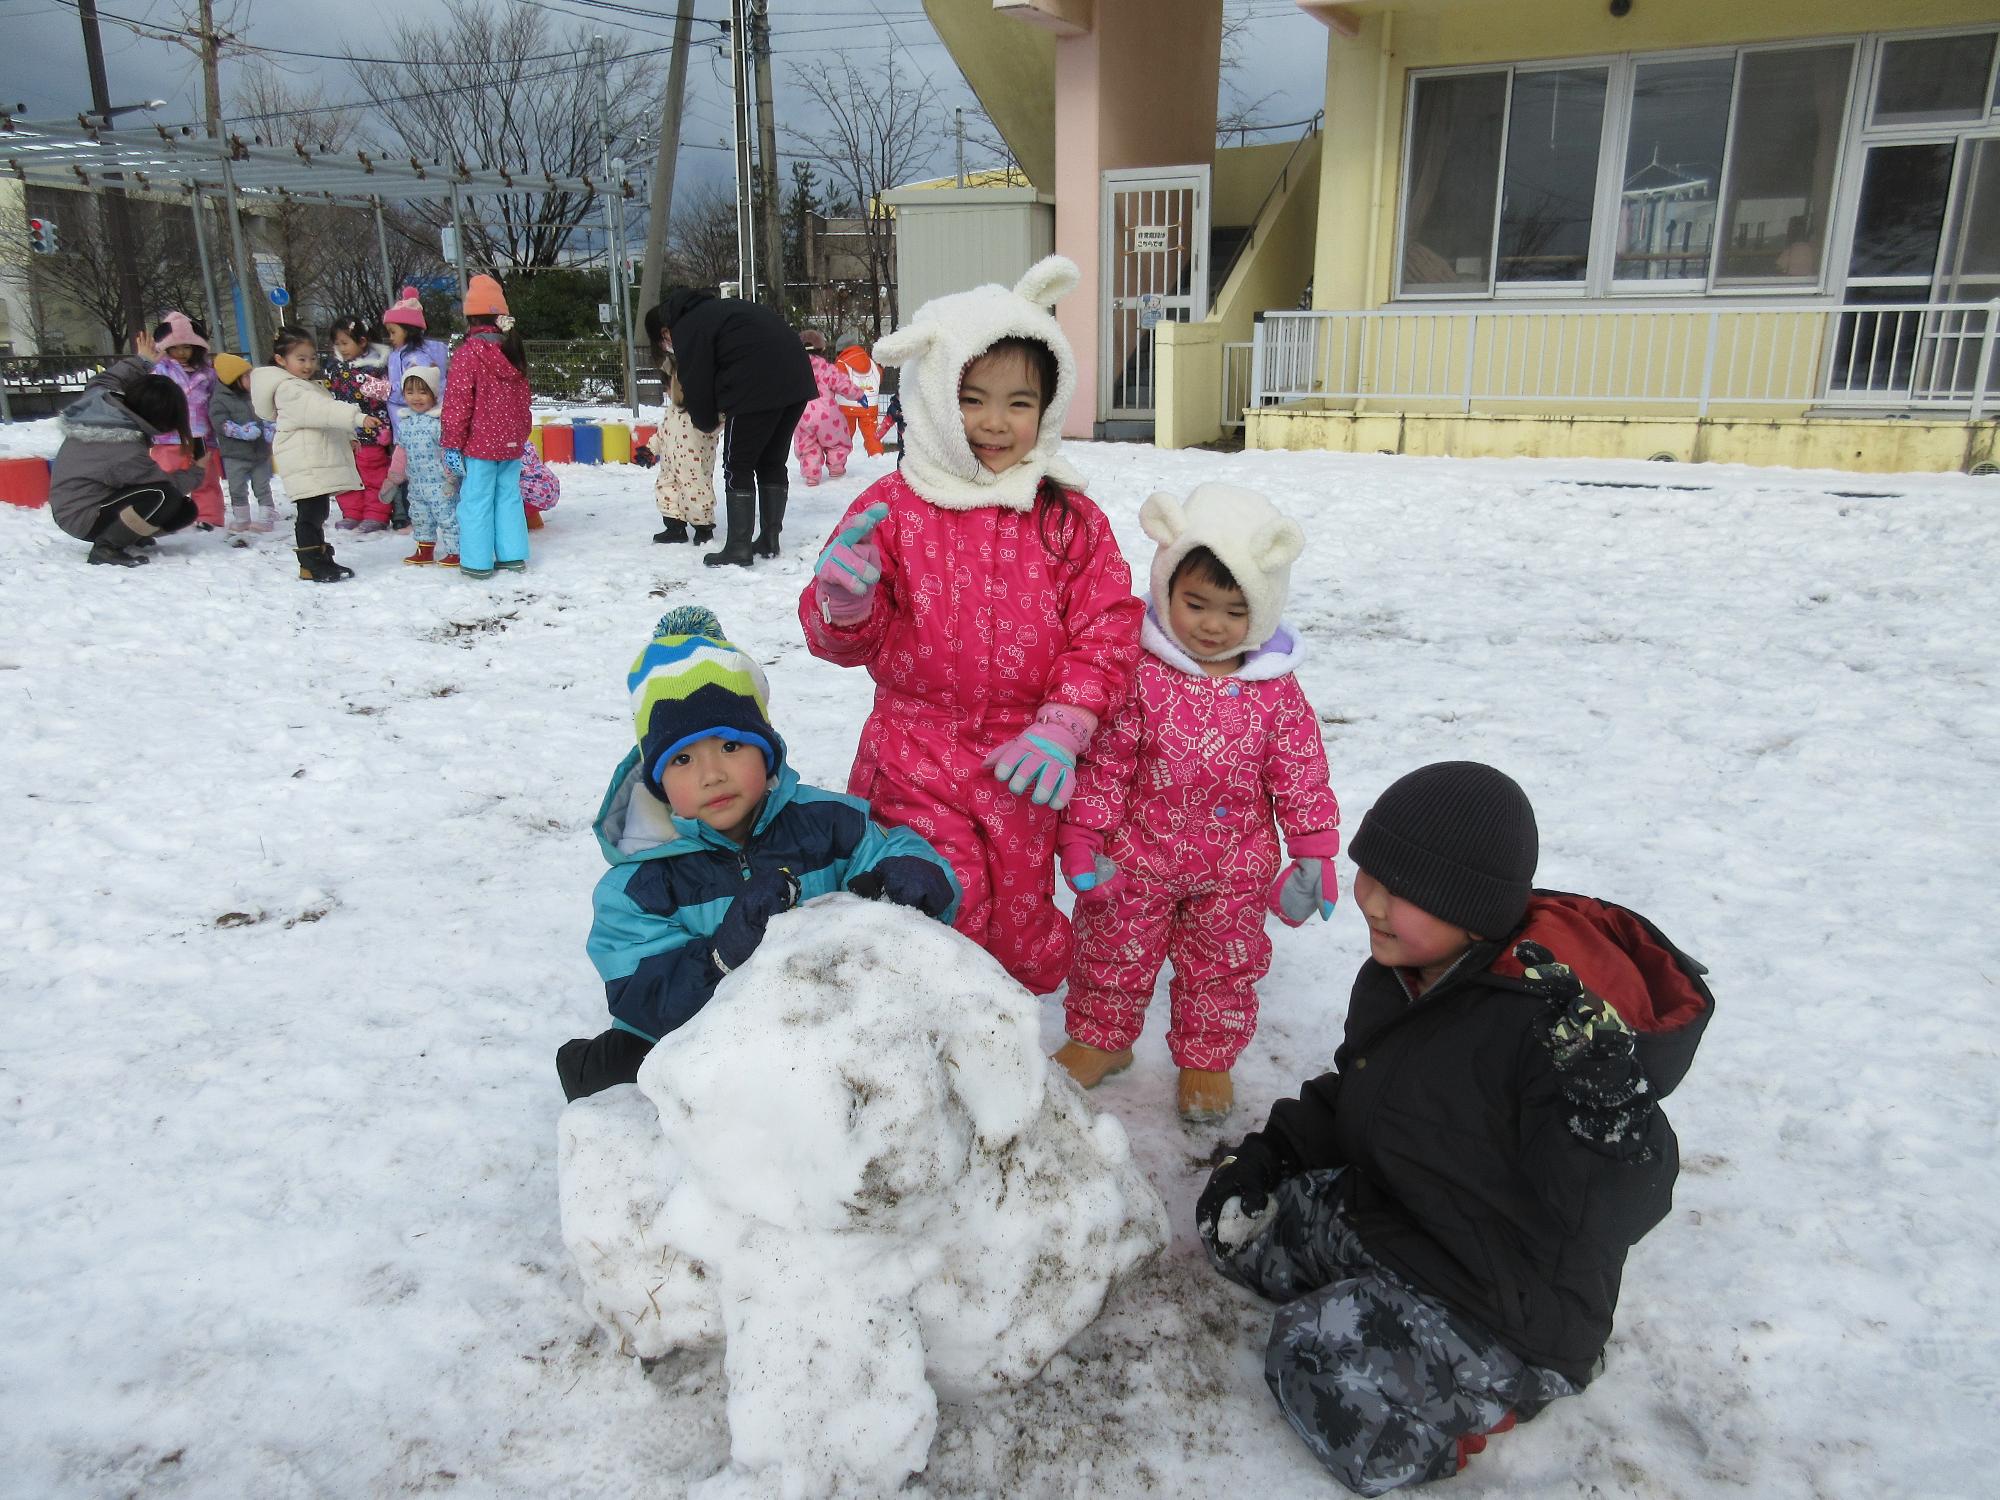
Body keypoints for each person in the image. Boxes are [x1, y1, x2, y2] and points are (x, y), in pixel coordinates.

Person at [1195, 762, 1714, 1496]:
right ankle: (1369, 1296)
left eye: (1400, 891)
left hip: (1502, 1304)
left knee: (1315, 1365)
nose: (1369, 900)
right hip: (1411, 1220)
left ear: (1468, 908)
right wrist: (1271, 1155)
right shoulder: (1408, 969)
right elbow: (1368, 1087)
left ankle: (1499, 1395)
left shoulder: (1550, 1035)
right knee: (1239, 1233)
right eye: (1368, 873)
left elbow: (1609, 1213)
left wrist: (1611, 1114)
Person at [797, 257, 1143, 997]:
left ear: (1048, 408)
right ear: (933, 397)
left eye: (1019, 403)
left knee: (1019, 926)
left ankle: (996, 1043)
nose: (994, 422)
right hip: (914, 751)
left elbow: (1107, 629)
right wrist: (845, 602)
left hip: (1026, 761)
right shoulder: (894, 508)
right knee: (934, 908)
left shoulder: (1067, 518)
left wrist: (1067, 723)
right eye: (973, 398)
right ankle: (926, 1043)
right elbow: (837, 640)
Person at [556, 605, 961, 1101]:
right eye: (682, 759)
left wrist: (914, 876)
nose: (711, 774)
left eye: (730, 747)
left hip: (817, 1021)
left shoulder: (829, 822)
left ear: (766, 750)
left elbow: (890, 852)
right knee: (625, 1080)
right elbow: (644, 993)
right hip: (695, 1036)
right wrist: (721, 957)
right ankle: (582, 1065)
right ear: (658, 782)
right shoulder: (638, 886)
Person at [1054, 482, 1340, 1121]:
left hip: (1233, 867)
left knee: (1223, 963)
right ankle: (1101, 1039)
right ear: (1166, 590)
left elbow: (1301, 774)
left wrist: (1313, 852)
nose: (1212, 625)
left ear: (1262, 611)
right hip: (1138, 853)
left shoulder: (1275, 692)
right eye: (1195, 603)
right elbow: (1106, 763)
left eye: (1236, 611)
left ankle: (1207, 1058)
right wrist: (1083, 837)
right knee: (1112, 947)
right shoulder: (1141, 672)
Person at [644, 286, 814, 567]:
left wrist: (704, 421)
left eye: (663, 343)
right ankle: (770, 539)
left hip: (755, 386)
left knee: (738, 464)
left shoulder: (688, 327)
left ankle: (738, 546)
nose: (667, 347)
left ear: (664, 331)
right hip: (796, 380)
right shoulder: (717, 312)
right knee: (771, 461)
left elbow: (696, 382)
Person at [48, 330, 200, 566]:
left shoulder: (105, 404)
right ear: (161, 418)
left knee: (183, 510)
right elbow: (168, 486)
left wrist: (143, 361)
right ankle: (107, 547)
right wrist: (198, 470)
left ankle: (130, 534)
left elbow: (104, 380)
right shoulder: (122, 447)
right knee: (164, 496)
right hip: (81, 515)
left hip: (92, 500)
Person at [250, 325, 382, 583]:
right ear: (280, 360)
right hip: (305, 463)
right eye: (301, 359)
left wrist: (348, 437)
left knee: (317, 513)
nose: (308, 364)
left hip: (312, 461)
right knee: (309, 516)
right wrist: (357, 417)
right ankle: (311, 564)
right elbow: (323, 411)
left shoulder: (304, 386)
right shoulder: (291, 390)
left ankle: (320, 558)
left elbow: (322, 417)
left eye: (312, 358)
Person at [440, 275, 533, 580]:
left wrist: (452, 442)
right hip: (511, 445)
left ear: (470, 317)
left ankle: (477, 561)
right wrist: (520, 436)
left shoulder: (468, 354)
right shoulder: (513, 350)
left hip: (479, 445)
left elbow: (458, 404)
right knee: (508, 497)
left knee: (476, 500)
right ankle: (513, 555)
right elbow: (524, 402)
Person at [149, 311, 225, 531]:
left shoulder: (207, 372)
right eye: (175, 348)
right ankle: (164, 515)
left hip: (202, 434)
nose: (181, 352)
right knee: (166, 476)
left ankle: (208, 516)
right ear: (165, 348)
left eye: (187, 347)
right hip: (168, 435)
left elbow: (215, 398)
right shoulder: (160, 370)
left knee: (206, 478)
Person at [327, 316, 395, 533]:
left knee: (373, 472)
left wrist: (383, 427)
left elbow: (385, 398)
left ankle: (376, 514)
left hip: (370, 431)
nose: (341, 348)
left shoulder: (376, 367)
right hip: (344, 432)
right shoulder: (335, 368)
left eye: (345, 343)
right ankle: (352, 512)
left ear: (362, 341)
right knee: (347, 474)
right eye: (338, 344)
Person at [645, 348, 719, 546]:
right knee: (666, 490)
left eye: (667, 387)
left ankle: (703, 529)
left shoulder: (703, 409)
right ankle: (674, 527)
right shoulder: (672, 410)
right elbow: (663, 431)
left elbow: (715, 426)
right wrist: (650, 449)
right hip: (670, 464)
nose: (666, 392)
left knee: (696, 493)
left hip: (693, 465)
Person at [390, 366, 457, 567]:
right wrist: (393, 475)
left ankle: (456, 551)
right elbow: (401, 451)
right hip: (416, 484)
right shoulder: (406, 423)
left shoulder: (439, 421)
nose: (416, 397)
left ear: (433, 394)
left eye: (422, 392)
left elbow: (448, 450)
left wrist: (452, 475)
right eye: (410, 392)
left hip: (440, 483)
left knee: (447, 517)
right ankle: (424, 549)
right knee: (420, 517)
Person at [205, 352, 278, 534]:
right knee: (237, 487)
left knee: (262, 486)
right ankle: (242, 518)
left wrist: (270, 427)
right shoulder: (219, 399)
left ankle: (266, 516)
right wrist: (239, 431)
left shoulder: (254, 395)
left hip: (259, 453)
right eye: (246, 376)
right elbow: (219, 423)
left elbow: (267, 413)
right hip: (234, 455)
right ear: (233, 379)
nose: (251, 380)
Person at [793, 329, 863, 487]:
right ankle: (837, 467)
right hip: (827, 413)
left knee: (807, 446)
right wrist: (858, 394)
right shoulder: (826, 368)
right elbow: (843, 384)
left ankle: (811, 475)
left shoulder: (793, 370)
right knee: (837, 441)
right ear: (822, 349)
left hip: (801, 415)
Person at [381, 286, 452, 440]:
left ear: (407, 330)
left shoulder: (417, 357)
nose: (391, 337)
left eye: (393, 332)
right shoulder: (397, 354)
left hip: (419, 426)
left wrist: (385, 390)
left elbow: (418, 388)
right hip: (403, 425)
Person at [834, 333, 884, 457]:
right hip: (869, 404)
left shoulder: (841, 363)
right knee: (871, 431)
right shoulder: (871, 362)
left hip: (846, 405)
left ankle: (840, 457)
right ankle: (876, 454)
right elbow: (880, 375)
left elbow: (836, 383)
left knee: (845, 432)